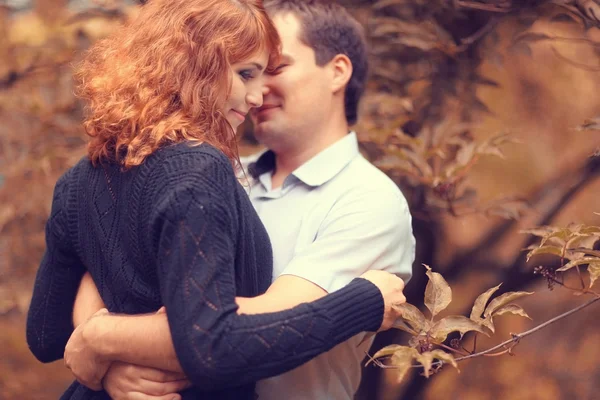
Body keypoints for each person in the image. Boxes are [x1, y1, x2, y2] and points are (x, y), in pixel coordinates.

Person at [25, 0, 408, 399]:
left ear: (338, 71)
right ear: (198, 66)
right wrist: (363, 302)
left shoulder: (368, 200)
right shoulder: (207, 170)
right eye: (248, 73)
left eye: (275, 69)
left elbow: (54, 328)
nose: (259, 93)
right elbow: (212, 338)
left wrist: (102, 341)